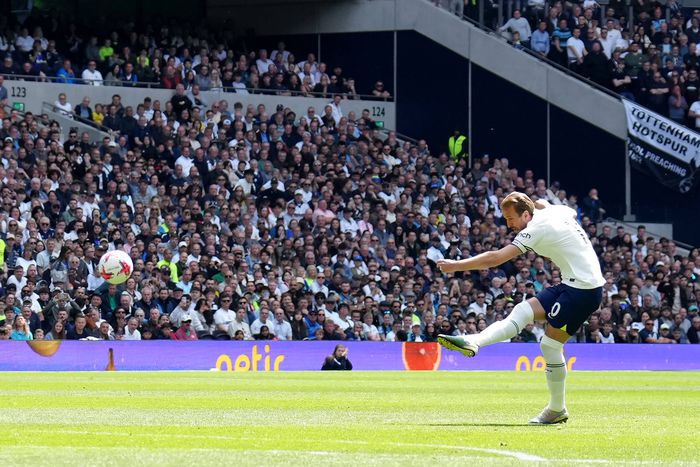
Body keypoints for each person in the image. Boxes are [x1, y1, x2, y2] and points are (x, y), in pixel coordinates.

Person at [437, 192, 605, 424]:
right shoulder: (555, 211)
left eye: (511, 219)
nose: (509, 224)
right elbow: (558, 207)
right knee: (522, 311)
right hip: (571, 284)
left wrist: (456, 266)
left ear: (526, 214)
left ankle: (557, 409)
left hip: (583, 291)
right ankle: (474, 341)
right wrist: (526, 199)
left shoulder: (535, 229)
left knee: (550, 345)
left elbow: (494, 258)